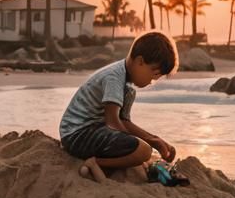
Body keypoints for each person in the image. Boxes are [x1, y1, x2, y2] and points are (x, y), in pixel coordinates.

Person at [59, 30, 179, 183]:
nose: (152, 81)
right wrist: (140, 146)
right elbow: (112, 122)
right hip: (76, 134)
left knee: (143, 149)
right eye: (154, 74)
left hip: (93, 130)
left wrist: (155, 140)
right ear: (140, 61)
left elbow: (124, 121)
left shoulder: (128, 86)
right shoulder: (114, 78)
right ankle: (97, 163)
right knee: (143, 151)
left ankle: (102, 161)